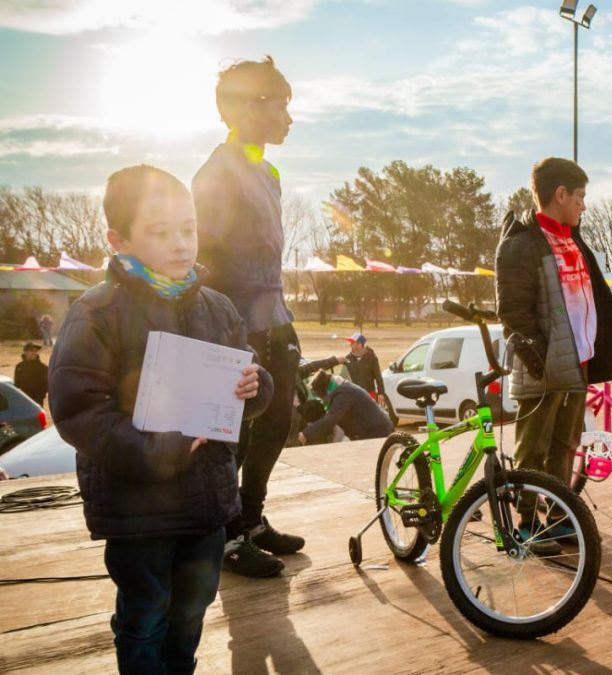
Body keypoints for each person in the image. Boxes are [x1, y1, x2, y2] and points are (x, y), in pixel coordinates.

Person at [47, 165, 272, 673]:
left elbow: (244, 379)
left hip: (207, 504)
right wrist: (157, 450)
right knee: (145, 615)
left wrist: (257, 389)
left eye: (188, 228)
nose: (180, 243)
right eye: (159, 231)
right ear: (118, 239)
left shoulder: (217, 308)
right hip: (137, 510)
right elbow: (78, 410)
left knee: (192, 610)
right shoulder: (97, 312)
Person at [192, 56, 303, 577]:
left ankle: (252, 519)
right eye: (282, 105)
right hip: (236, 323)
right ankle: (227, 533)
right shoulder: (216, 173)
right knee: (233, 432)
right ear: (250, 108)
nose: (288, 117)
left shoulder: (269, 171)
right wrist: (219, 332)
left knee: (279, 422)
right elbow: (204, 258)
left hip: (275, 316)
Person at [494, 157, 612, 545]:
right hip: (543, 366)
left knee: (565, 446)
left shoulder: (573, 237)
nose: (583, 205)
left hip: (578, 363)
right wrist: (540, 360)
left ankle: (557, 516)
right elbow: (512, 311)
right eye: (580, 197)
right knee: (532, 452)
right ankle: (526, 526)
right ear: (560, 194)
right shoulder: (521, 244)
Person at [298, 367, 393, 444]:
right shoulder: (342, 389)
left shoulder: (343, 395)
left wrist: (306, 434)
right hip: (372, 431)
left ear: (324, 391)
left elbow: (331, 419)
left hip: (378, 432)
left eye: (320, 396)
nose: (322, 401)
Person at [342, 332, 386, 402]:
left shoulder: (372, 358)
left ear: (359, 344)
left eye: (353, 343)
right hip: (353, 395)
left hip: (369, 395)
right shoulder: (348, 358)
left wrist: (381, 393)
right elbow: (343, 378)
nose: (350, 345)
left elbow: (378, 377)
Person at [13, 342, 48, 406]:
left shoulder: (43, 367)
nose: (34, 353)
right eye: (32, 351)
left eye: (36, 351)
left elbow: (46, 385)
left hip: (38, 401)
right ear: (25, 352)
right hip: (24, 400)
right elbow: (17, 384)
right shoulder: (19, 367)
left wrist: (40, 395)